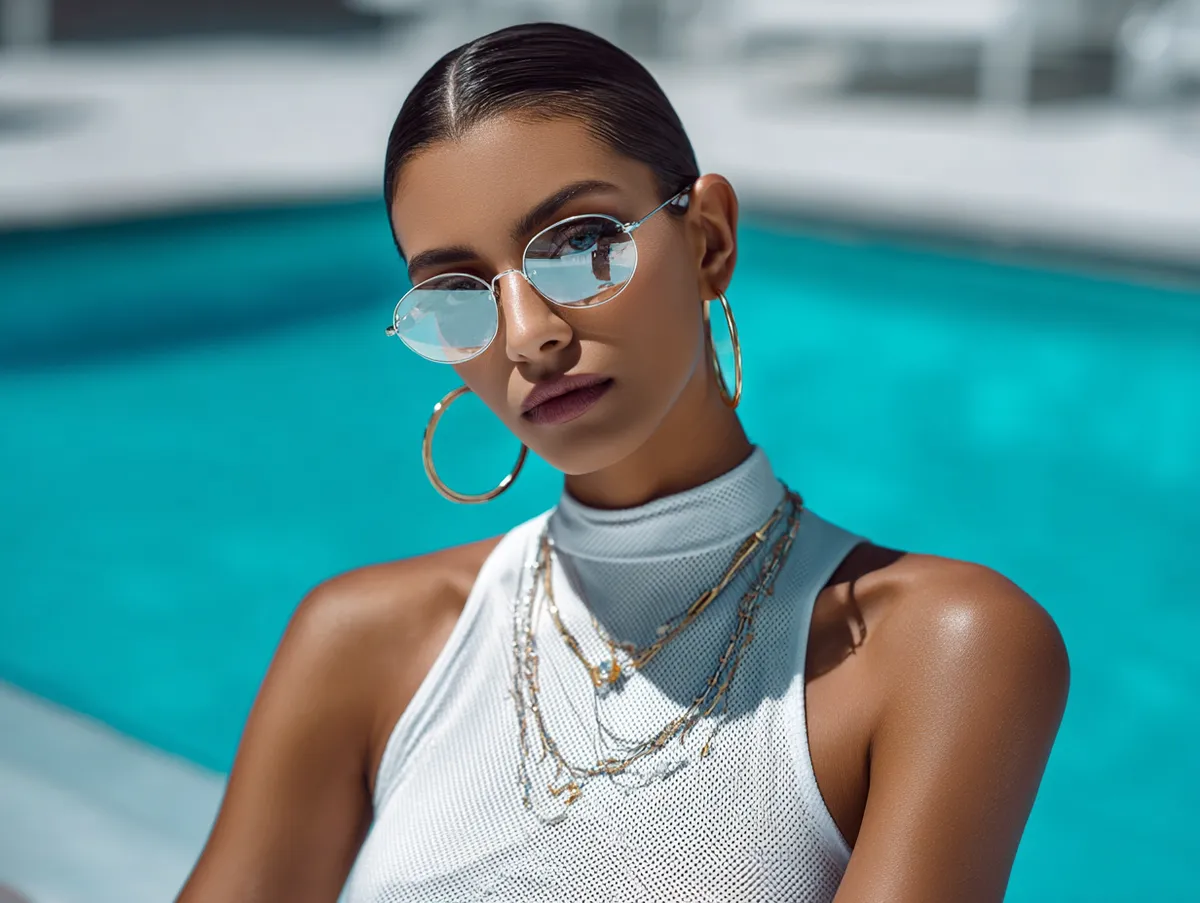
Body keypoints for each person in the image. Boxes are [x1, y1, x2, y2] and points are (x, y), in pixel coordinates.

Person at [177, 22, 1069, 903]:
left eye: (576, 245)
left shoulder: (936, 647)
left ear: (708, 239)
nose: (528, 335)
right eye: (457, 294)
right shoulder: (363, 642)